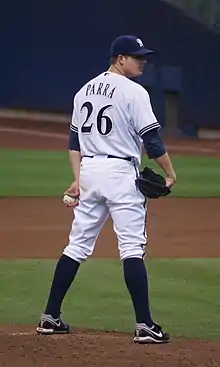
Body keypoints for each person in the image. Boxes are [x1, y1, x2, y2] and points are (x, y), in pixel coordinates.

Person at [36, 35, 176, 344]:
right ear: (119, 59)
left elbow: (75, 143)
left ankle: (50, 317)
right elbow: (151, 139)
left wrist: (77, 179)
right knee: (131, 247)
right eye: (136, 56)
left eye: (143, 57)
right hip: (120, 174)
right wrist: (169, 173)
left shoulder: (83, 90)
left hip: (90, 172)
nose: (142, 61)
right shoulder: (134, 92)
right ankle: (145, 325)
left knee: (77, 245)